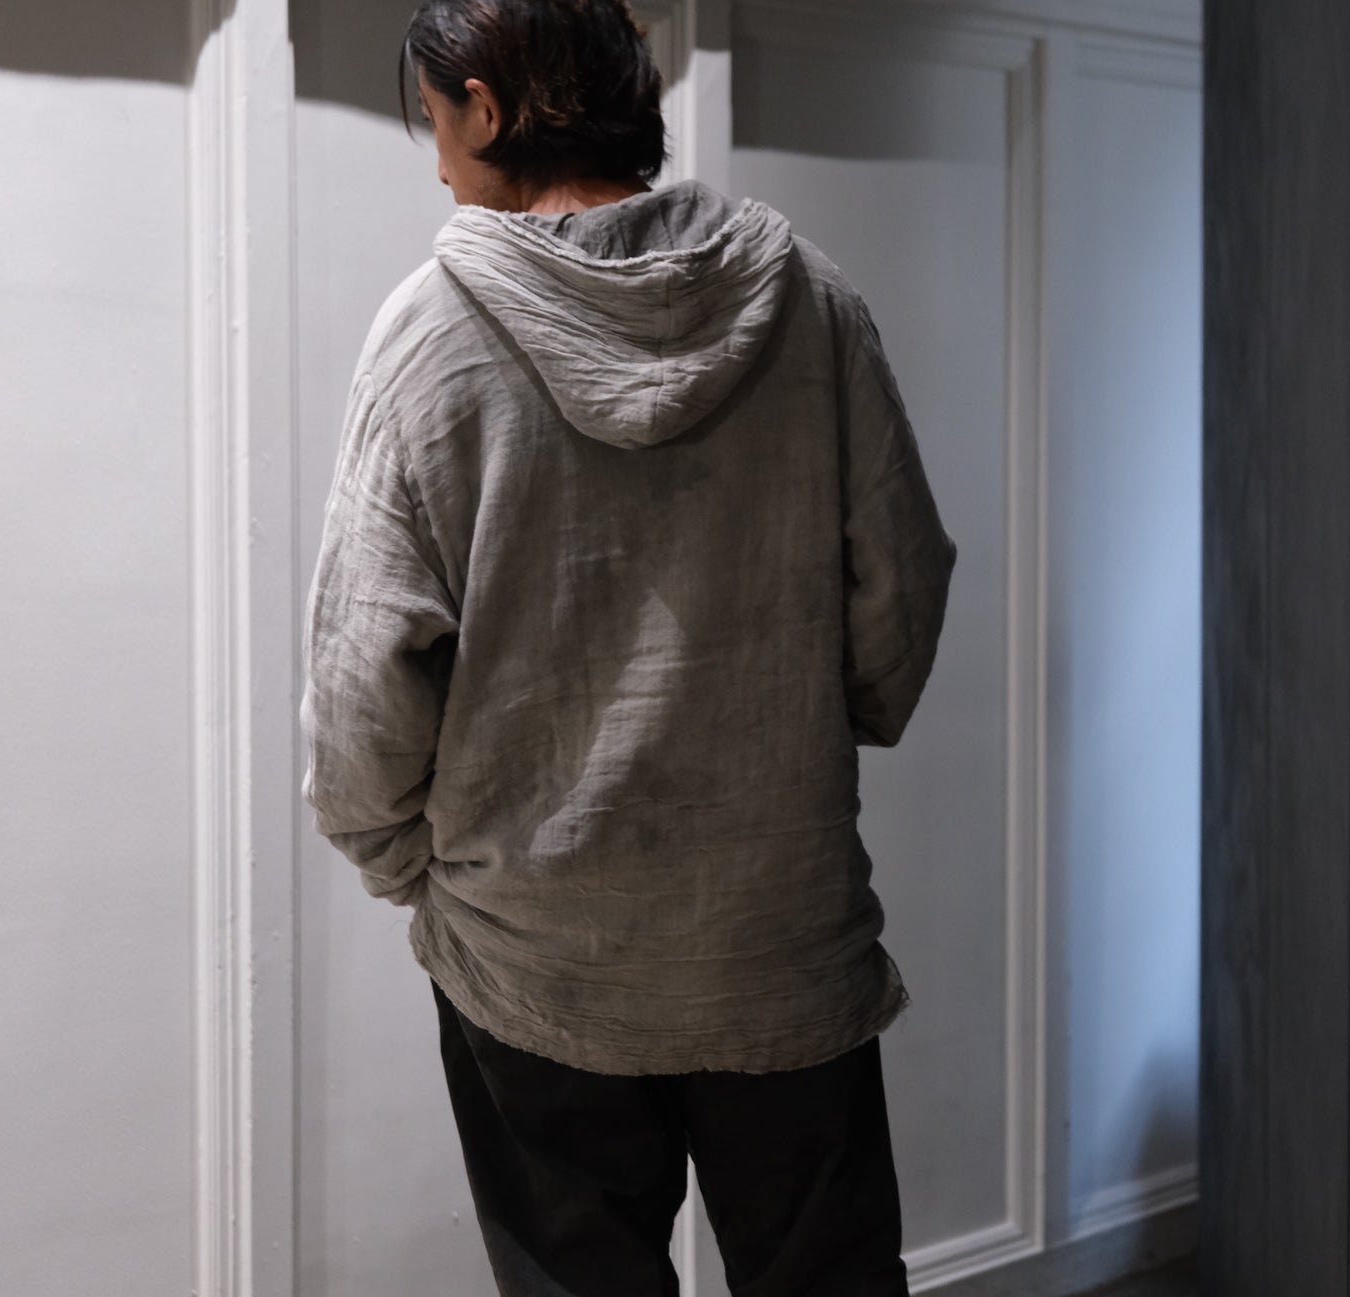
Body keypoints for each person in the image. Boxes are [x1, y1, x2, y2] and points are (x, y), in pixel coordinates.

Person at [298, 1, 958, 1292]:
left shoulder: (428, 338)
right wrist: (817, 728)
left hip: (533, 952)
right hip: (780, 934)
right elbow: (903, 587)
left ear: (488, 109)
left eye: (433, 123)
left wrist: (407, 863)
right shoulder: (811, 302)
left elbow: (362, 684)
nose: (438, 166)